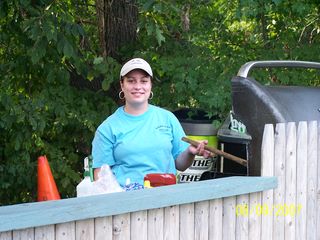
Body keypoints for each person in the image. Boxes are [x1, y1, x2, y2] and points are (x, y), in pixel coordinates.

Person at [91, 57, 211, 187]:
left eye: (144, 81)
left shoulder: (167, 118)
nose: (138, 87)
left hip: (165, 198)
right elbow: (100, 177)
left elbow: (180, 165)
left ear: (150, 85)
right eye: (131, 81)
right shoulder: (107, 128)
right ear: (122, 85)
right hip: (126, 201)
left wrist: (190, 152)